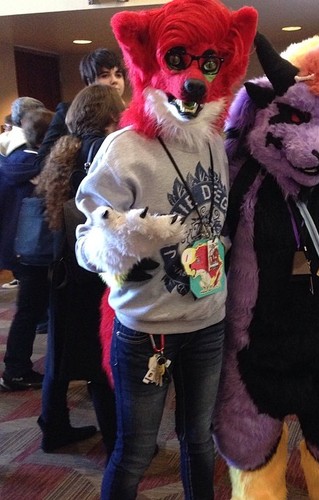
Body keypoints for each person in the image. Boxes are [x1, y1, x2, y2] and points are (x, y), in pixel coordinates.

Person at [74, 1, 257, 498]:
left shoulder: (212, 142)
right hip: (147, 328)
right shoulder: (124, 148)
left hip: (208, 320)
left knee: (199, 440)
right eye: (177, 59)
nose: (194, 77)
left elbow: (215, 219)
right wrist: (119, 240)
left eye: (208, 63)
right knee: (136, 449)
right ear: (151, 62)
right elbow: (86, 245)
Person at [35, 84, 125, 455]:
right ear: (111, 116)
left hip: (62, 270)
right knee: (99, 356)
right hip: (91, 271)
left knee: (60, 354)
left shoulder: (64, 150)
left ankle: (53, 427)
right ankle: (117, 439)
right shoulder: (105, 151)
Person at [0, 100, 53, 391]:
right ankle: (16, 370)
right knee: (30, 311)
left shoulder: (9, 162)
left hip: (16, 247)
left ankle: (17, 367)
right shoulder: (42, 166)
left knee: (28, 310)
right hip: (36, 250)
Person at [34, 48, 126, 171]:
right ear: (89, 81)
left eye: (118, 75)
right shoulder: (68, 111)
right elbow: (42, 160)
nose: (114, 81)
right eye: (105, 75)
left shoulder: (131, 113)